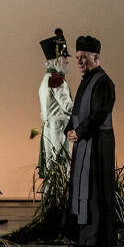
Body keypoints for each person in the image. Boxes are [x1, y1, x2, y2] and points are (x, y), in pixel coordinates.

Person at [64, 35, 116, 247]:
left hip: (98, 145)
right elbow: (77, 111)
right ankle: (83, 238)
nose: (79, 61)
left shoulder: (104, 82)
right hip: (84, 141)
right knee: (81, 188)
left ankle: (96, 240)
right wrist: (70, 129)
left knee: (95, 190)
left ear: (96, 57)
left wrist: (79, 132)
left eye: (84, 57)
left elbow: (98, 114)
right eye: (77, 57)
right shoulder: (86, 80)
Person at [37, 28, 73, 174]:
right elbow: (67, 106)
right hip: (59, 130)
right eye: (64, 58)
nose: (67, 62)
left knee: (51, 169)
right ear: (57, 60)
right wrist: (85, 107)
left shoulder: (45, 80)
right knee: (62, 169)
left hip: (49, 130)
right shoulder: (57, 80)